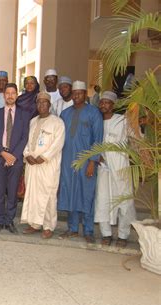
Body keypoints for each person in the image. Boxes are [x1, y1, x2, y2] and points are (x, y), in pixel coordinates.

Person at [58, 81, 103, 243]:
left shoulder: (94, 113)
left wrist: (93, 161)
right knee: (71, 193)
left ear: (85, 94)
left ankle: (89, 231)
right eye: (74, 92)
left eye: (80, 92)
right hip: (67, 161)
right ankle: (73, 228)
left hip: (86, 162)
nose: (77, 95)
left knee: (87, 194)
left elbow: (98, 139)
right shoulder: (65, 114)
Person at [20, 92, 65, 239]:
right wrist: (27, 155)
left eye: (44, 103)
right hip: (32, 165)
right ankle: (34, 224)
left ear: (49, 105)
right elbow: (27, 142)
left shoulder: (57, 122)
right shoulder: (33, 121)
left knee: (48, 195)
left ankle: (48, 226)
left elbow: (58, 144)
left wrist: (44, 157)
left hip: (48, 166)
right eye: (38, 103)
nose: (41, 105)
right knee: (33, 194)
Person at [95, 91, 136, 248]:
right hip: (103, 169)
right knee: (103, 200)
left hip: (120, 169)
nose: (104, 105)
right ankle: (106, 234)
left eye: (107, 102)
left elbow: (136, 139)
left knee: (124, 201)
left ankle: (123, 235)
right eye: (102, 102)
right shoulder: (97, 121)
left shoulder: (122, 121)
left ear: (113, 105)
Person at [0, 83, 30, 233]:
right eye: (8, 93)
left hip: (16, 158)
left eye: (13, 93)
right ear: (3, 95)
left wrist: (13, 156)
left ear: (17, 94)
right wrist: (3, 153)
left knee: (12, 193)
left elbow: (25, 137)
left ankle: (9, 221)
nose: (10, 96)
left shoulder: (25, 115)